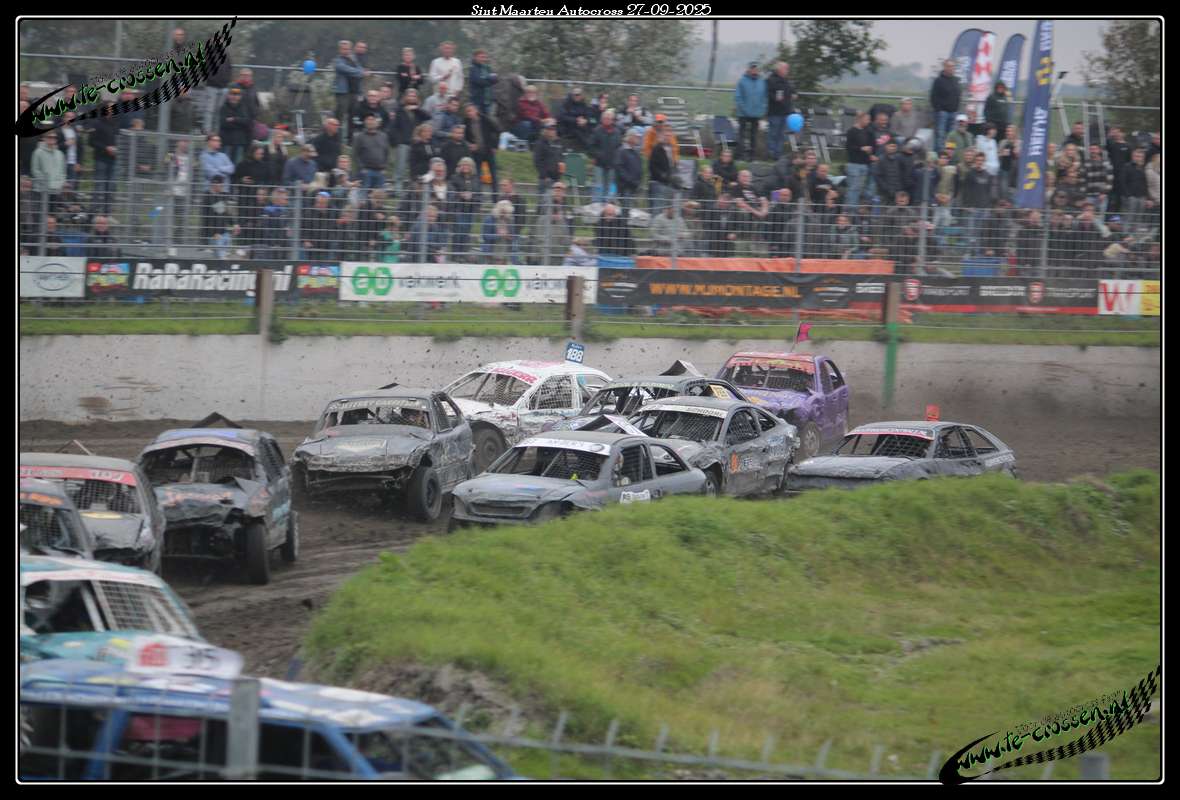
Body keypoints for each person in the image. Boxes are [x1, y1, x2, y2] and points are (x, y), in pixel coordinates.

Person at [463, 102, 500, 197]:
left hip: (489, 151)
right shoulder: (466, 122)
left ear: (476, 110)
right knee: (477, 176)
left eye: (470, 111)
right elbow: (464, 137)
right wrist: (470, 145)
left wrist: (495, 146)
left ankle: (495, 198)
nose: (469, 113)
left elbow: (497, 130)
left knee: (494, 176)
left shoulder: (485, 119)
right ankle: (478, 199)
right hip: (477, 153)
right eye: (467, 111)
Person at [734, 61, 767, 161]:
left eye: (756, 68)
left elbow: (764, 97)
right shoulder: (742, 81)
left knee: (754, 136)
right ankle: (740, 155)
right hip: (743, 114)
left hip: (756, 114)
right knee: (742, 135)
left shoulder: (762, 82)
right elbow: (738, 97)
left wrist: (762, 109)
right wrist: (744, 109)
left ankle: (752, 156)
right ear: (748, 69)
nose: (754, 70)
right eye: (752, 68)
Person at [333, 41, 366, 138]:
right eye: (344, 49)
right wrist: (359, 72)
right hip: (343, 93)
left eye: (348, 49)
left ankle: (350, 139)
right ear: (340, 50)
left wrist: (359, 72)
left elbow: (361, 69)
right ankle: (336, 137)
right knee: (340, 116)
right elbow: (343, 69)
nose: (346, 51)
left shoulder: (354, 60)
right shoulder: (338, 60)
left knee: (352, 117)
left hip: (354, 92)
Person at [590, 109, 621, 205]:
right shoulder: (597, 130)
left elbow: (619, 147)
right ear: (602, 119)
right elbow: (591, 146)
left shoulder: (617, 132)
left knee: (610, 186)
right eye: (605, 118)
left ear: (612, 120)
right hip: (599, 164)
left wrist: (616, 159)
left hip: (612, 164)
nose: (607, 120)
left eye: (609, 118)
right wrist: (598, 155)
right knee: (598, 185)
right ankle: (596, 205)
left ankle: (608, 205)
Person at [930, 58, 960, 155]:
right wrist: (939, 109)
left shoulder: (956, 80)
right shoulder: (938, 80)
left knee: (951, 137)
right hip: (942, 113)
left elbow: (958, 95)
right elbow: (933, 97)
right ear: (944, 67)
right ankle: (939, 156)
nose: (951, 68)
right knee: (940, 136)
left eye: (953, 66)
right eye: (949, 66)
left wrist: (956, 109)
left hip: (953, 113)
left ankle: (949, 156)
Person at [844, 111, 874, 209]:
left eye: (869, 119)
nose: (868, 121)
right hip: (854, 164)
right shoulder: (851, 131)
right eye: (866, 119)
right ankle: (850, 210)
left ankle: (857, 209)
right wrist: (861, 148)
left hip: (865, 164)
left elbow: (872, 144)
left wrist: (870, 152)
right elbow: (848, 147)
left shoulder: (868, 131)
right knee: (853, 188)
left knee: (861, 189)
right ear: (860, 119)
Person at [766, 61, 794, 161]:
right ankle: (771, 153)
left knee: (782, 134)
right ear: (779, 69)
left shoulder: (787, 80)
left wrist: (794, 93)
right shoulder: (771, 79)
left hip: (785, 112)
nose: (787, 71)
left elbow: (791, 90)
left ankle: (778, 154)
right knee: (773, 133)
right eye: (785, 68)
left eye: (787, 69)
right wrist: (775, 98)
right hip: (775, 112)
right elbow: (768, 93)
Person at [353, 114, 390, 190]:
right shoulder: (359, 137)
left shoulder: (383, 136)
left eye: (372, 119)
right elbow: (355, 154)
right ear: (365, 122)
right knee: (364, 194)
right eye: (368, 120)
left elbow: (386, 152)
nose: (370, 122)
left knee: (380, 195)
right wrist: (362, 168)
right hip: (366, 172)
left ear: (377, 122)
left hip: (380, 172)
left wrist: (385, 168)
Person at [218, 87, 253, 165]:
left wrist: (234, 119)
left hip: (239, 142)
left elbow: (247, 122)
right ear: (228, 95)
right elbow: (223, 123)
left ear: (240, 96)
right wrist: (239, 123)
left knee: (237, 167)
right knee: (224, 166)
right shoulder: (223, 108)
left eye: (237, 95)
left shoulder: (244, 108)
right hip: (226, 142)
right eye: (232, 94)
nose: (234, 97)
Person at [615, 128, 643, 214]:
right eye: (636, 137)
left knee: (629, 210)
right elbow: (619, 169)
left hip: (634, 186)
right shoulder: (622, 151)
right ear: (630, 137)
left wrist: (638, 182)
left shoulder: (635, 151)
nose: (638, 139)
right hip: (625, 187)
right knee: (625, 209)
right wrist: (630, 180)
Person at [558, 87, 594, 152]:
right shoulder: (566, 104)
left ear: (581, 95)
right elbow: (562, 116)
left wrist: (585, 120)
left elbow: (589, 114)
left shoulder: (584, 104)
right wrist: (576, 120)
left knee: (591, 128)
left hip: (581, 126)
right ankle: (589, 149)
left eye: (578, 95)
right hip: (568, 127)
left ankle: (592, 147)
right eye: (575, 95)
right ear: (572, 95)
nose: (577, 96)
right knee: (580, 134)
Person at [533, 119, 564, 188]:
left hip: (556, 179)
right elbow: (537, 161)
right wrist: (545, 176)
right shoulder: (540, 143)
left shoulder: (558, 142)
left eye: (554, 129)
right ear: (545, 130)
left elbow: (561, 157)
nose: (552, 131)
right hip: (545, 180)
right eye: (550, 129)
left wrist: (560, 173)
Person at [468, 49, 497, 116]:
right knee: (478, 119)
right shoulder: (473, 69)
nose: (483, 59)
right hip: (477, 101)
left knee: (489, 120)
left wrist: (486, 78)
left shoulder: (487, 68)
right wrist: (489, 79)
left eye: (485, 57)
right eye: (481, 57)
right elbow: (479, 81)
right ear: (475, 57)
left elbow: (496, 79)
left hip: (489, 101)